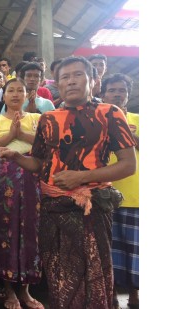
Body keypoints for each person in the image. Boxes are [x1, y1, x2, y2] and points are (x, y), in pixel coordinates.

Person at [0, 56, 137, 309]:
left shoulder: (110, 113)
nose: (71, 81)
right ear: (58, 85)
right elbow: (40, 164)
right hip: (52, 208)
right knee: (60, 276)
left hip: (91, 207)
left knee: (94, 274)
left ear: (94, 81)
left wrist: (81, 176)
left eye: (78, 75)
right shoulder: (48, 119)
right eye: (64, 77)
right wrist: (17, 157)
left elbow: (128, 164)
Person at [0, 78, 44, 309]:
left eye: (20, 90)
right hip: (2, 179)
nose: (16, 94)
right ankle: (8, 290)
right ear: (3, 96)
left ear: (27, 95)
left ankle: (25, 290)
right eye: (11, 91)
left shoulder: (37, 119)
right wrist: (10, 136)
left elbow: (47, 145)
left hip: (32, 179)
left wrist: (22, 134)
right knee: (4, 230)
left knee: (30, 230)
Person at [100, 73, 139, 309]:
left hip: (137, 196)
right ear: (103, 94)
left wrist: (132, 137)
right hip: (106, 196)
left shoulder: (140, 119)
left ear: (128, 94)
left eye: (122, 90)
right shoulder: (97, 119)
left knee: (137, 252)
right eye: (112, 90)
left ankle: (135, 294)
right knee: (108, 251)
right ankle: (111, 294)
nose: (117, 94)